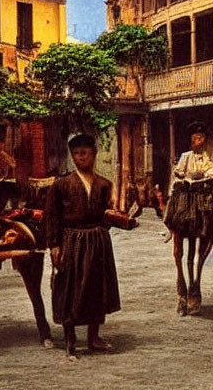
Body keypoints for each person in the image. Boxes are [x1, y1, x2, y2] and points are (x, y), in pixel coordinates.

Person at [45, 134, 121, 358]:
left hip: (97, 242)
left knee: (97, 288)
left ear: (94, 155)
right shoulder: (62, 184)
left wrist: (120, 219)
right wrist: (54, 245)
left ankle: (94, 337)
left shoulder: (104, 184)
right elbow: (52, 216)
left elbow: (107, 215)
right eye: (76, 154)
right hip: (72, 239)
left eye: (85, 153)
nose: (81, 158)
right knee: (70, 288)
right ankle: (70, 338)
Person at [163, 121, 213, 238]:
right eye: (196, 138)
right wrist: (184, 177)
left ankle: (212, 228)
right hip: (187, 190)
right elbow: (178, 172)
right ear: (192, 140)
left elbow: (212, 170)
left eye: (202, 138)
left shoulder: (207, 157)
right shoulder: (186, 156)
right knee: (175, 204)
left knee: (212, 205)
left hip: (203, 189)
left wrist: (207, 176)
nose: (200, 141)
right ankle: (170, 227)